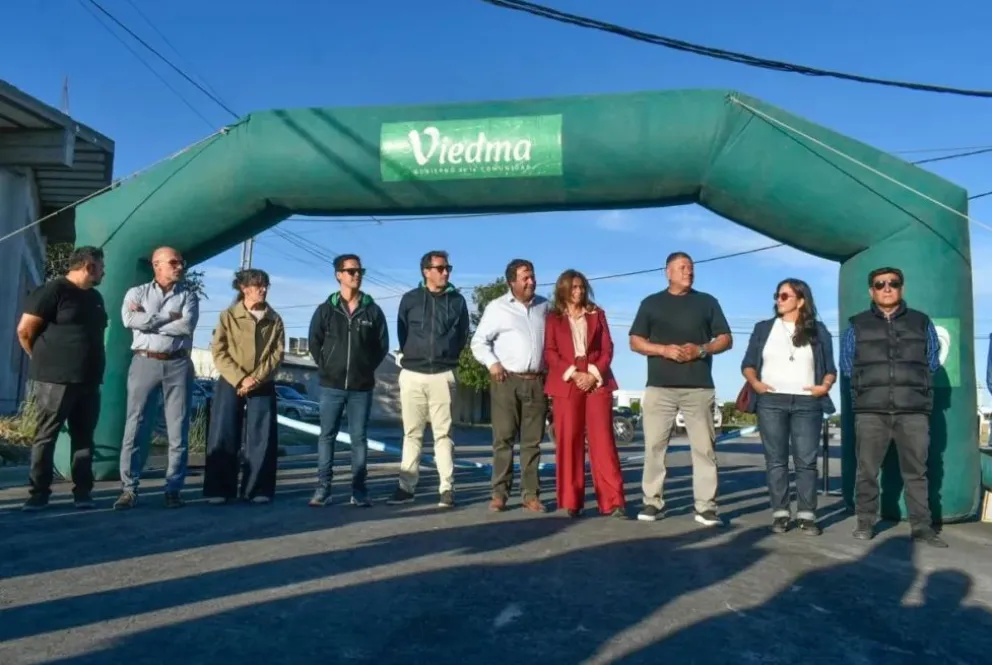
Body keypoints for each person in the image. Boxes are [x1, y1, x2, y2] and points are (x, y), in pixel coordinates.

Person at [839, 267, 947, 547]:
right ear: (870, 291)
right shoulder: (857, 324)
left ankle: (921, 528)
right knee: (867, 470)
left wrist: (912, 382)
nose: (887, 288)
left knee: (916, 472)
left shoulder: (922, 322)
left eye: (893, 283)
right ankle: (865, 522)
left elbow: (932, 359)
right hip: (870, 410)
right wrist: (867, 386)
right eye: (880, 284)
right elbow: (847, 363)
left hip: (913, 410)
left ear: (902, 288)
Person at [628, 251, 732, 526]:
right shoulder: (651, 303)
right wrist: (663, 349)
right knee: (654, 448)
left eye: (691, 268)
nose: (689, 271)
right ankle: (652, 503)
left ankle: (706, 506)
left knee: (704, 449)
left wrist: (701, 349)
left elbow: (726, 339)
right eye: (683, 267)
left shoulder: (707, 302)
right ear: (668, 272)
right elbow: (635, 341)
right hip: (659, 388)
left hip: (698, 388)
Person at [741, 278, 837, 536]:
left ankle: (807, 515)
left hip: (808, 403)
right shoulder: (763, 329)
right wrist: (756, 384)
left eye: (784, 296)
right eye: (777, 295)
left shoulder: (818, 330)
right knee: (776, 461)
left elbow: (830, 369)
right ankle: (780, 513)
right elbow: (748, 363)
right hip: (771, 401)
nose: (778, 300)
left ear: (801, 300)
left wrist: (824, 386)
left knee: (806, 461)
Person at [17, 246, 108, 511]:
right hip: (55, 380)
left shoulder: (95, 297)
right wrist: (44, 360)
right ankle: (39, 494)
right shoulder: (53, 291)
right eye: (101, 266)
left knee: (84, 438)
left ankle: (83, 493)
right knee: (47, 435)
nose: (104, 271)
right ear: (89, 266)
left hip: (89, 381)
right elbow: (25, 331)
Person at [114, 246, 199, 510]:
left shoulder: (189, 295)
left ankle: (173, 489)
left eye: (181, 262)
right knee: (135, 426)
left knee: (178, 430)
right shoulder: (136, 292)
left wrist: (148, 320)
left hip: (178, 364)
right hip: (144, 361)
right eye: (173, 262)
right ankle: (129, 489)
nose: (179, 266)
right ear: (156, 265)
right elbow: (128, 319)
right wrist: (166, 318)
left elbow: (186, 325)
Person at [387, 250, 470, 509]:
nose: (446, 272)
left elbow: (463, 335)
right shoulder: (410, 299)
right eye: (440, 268)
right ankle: (406, 487)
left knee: (443, 435)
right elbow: (402, 332)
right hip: (412, 374)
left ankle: (447, 488)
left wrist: (446, 359)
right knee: (411, 433)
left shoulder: (457, 301)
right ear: (426, 271)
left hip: (443, 375)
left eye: (448, 268)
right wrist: (415, 357)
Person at [307, 254, 389, 507]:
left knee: (359, 439)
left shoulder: (373, 311)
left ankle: (359, 489)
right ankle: (323, 488)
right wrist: (329, 367)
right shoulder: (325, 310)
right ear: (338, 275)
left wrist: (364, 368)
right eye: (351, 271)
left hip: (361, 388)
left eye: (359, 271)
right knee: (326, 436)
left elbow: (381, 346)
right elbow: (314, 343)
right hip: (331, 386)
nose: (356, 275)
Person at [543, 269, 627, 519]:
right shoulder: (553, 318)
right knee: (569, 440)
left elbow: (607, 348)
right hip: (567, 381)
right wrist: (573, 373)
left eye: (581, 287)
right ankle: (572, 500)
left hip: (597, 380)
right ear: (563, 290)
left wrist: (593, 373)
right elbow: (550, 352)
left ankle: (613, 501)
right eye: (573, 287)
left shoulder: (596, 314)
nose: (578, 291)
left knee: (603, 441)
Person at [471, 258, 550, 513]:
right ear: (511, 282)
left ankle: (530, 494)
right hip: (506, 381)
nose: (531, 281)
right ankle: (499, 494)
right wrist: (493, 364)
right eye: (525, 277)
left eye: (533, 276)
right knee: (503, 438)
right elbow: (479, 342)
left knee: (532, 442)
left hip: (537, 381)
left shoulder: (545, 307)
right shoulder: (497, 308)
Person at [203, 269, 285, 504]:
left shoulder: (274, 318)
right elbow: (219, 351)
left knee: (262, 436)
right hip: (231, 381)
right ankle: (219, 489)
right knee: (223, 432)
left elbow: (277, 353)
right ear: (244, 288)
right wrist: (240, 378)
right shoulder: (228, 316)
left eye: (265, 285)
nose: (263, 289)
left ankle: (258, 489)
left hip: (263, 382)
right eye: (258, 285)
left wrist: (256, 379)